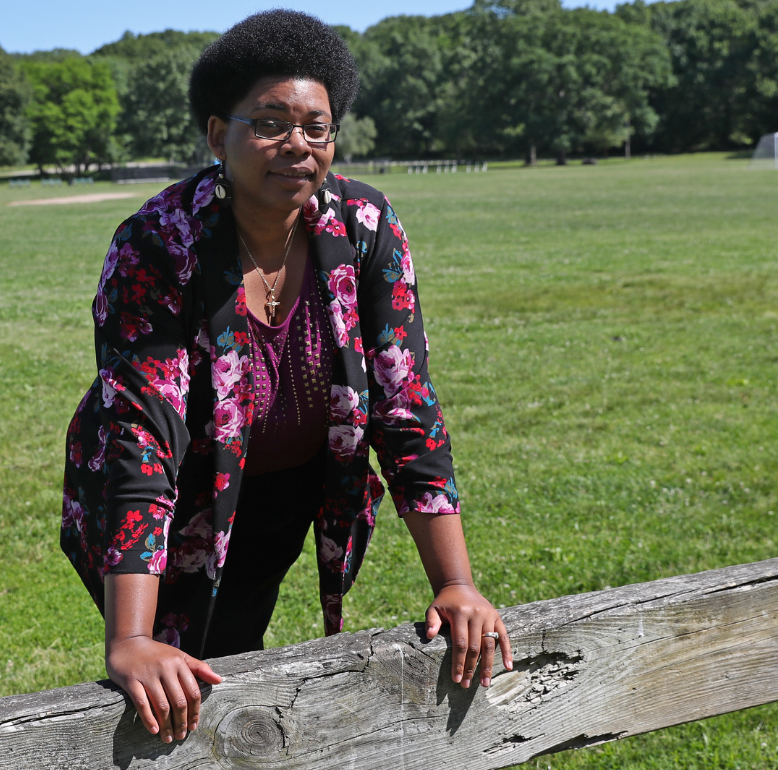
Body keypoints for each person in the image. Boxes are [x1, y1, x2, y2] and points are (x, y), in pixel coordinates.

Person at [60, 9, 512, 745]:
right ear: (217, 136)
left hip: (283, 490)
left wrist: (456, 585)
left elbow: (405, 404)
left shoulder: (365, 226)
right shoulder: (159, 243)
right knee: (173, 670)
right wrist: (130, 641)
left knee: (233, 647)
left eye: (317, 127)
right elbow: (142, 439)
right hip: (164, 499)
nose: (296, 146)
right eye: (269, 124)